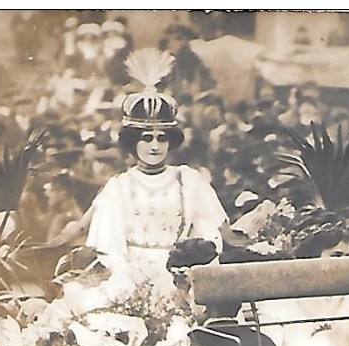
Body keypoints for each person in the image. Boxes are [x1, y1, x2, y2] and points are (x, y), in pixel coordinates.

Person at [55, 48, 226, 300]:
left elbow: (211, 235)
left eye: (161, 138)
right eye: (146, 138)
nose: (155, 146)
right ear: (133, 142)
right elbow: (108, 247)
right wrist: (131, 281)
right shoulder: (119, 187)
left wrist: (191, 268)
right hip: (127, 278)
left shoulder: (190, 181)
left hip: (182, 276)